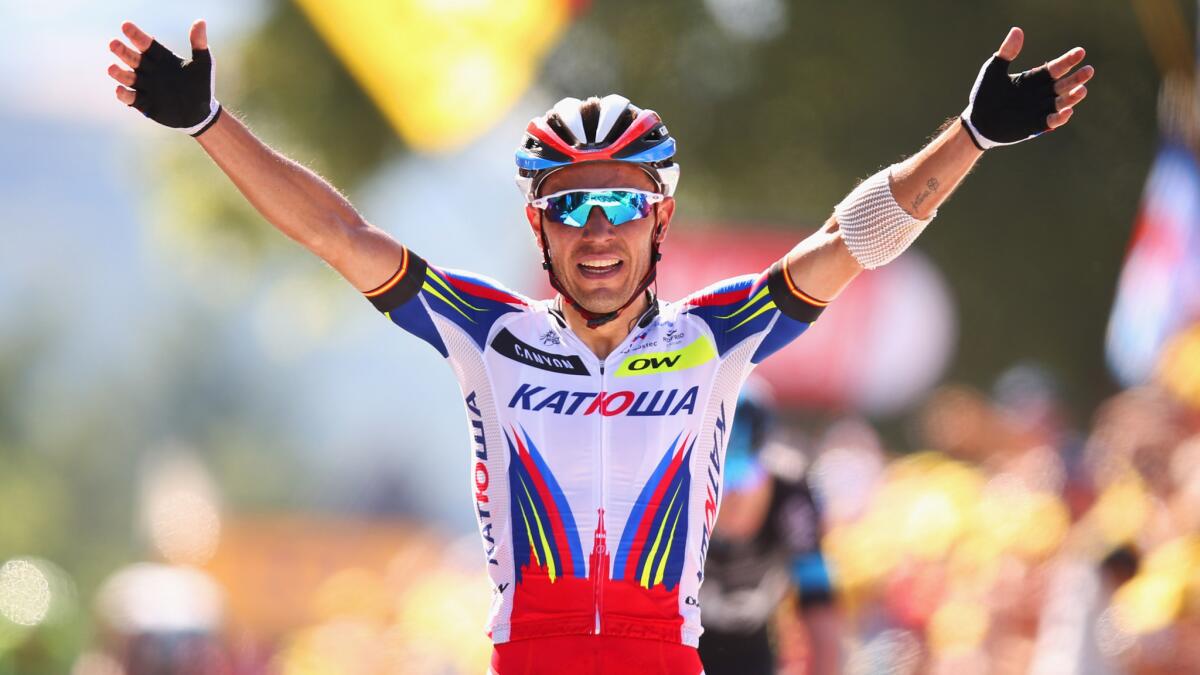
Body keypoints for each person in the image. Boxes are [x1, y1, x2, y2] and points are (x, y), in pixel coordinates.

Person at [107, 18, 1093, 674]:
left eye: (622, 205)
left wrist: (970, 134)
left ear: (659, 221)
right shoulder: (490, 334)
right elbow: (339, 236)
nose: (596, 230)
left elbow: (850, 244)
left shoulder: (715, 339)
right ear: (540, 228)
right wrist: (206, 122)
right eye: (569, 206)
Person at [697, 383, 840, 675]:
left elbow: (821, 613)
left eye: (743, 478)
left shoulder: (793, 498)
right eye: (721, 482)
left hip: (751, 650)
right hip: (680, 647)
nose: (732, 496)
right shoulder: (673, 490)